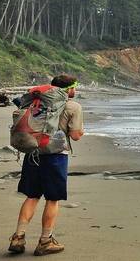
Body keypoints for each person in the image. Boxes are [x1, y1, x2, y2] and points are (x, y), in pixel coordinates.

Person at [8, 74, 84, 256]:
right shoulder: (73, 106)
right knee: (52, 199)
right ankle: (45, 241)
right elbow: (75, 135)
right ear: (69, 89)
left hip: (32, 152)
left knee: (32, 196)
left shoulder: (35, 103)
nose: (76, 90)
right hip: (55, 157)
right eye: (75, 87)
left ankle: (18, 237)